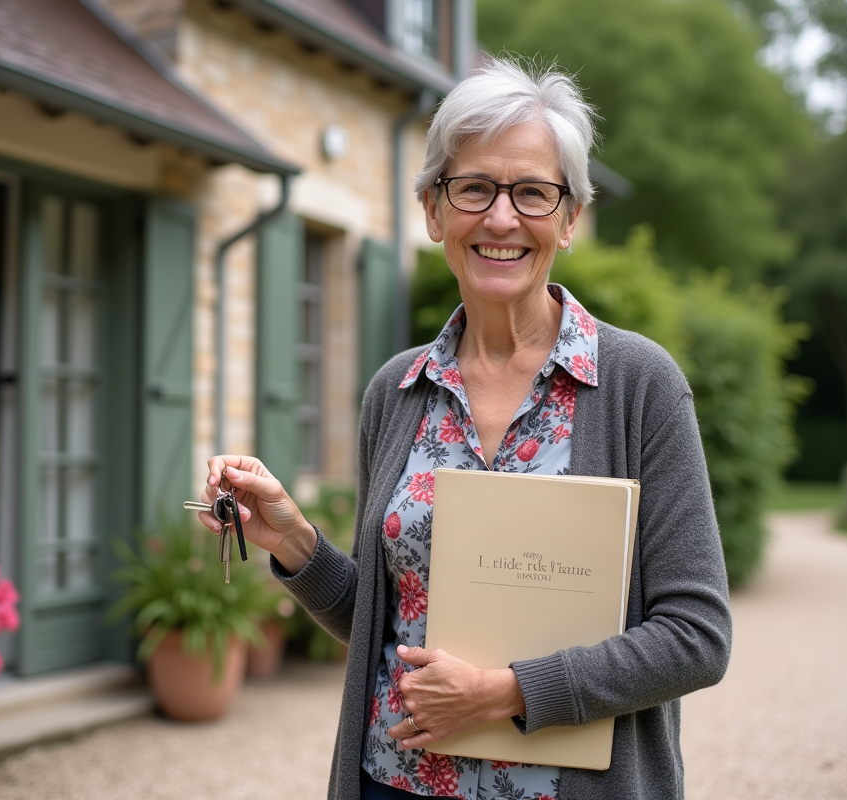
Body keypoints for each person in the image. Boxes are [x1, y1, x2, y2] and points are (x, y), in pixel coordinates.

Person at [195, 56, 732, 800]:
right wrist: (294, 543)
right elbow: (389, 628)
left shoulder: (640, 385)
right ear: (433, 211)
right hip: (396, 785)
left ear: (571, 218)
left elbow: (696, 638)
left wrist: (507, 693)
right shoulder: (397, 391)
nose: (501, 217)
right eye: (474, 187)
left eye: (533, 193)